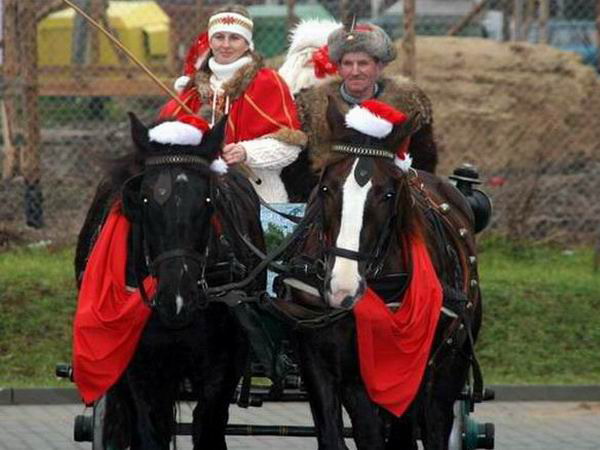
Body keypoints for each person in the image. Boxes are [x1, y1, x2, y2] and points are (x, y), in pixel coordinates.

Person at [160, 5, 306, 204]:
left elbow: (290, 147)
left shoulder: (267, 82)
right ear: (210, 41)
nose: (225, 45)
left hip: (257, 192)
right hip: (197, 194)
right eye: (219, 37)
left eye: (234, 38)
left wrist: (246, 152)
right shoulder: (193, 90)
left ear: (247, 43)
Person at [279, 22, 439, 201]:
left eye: (363, 63)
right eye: (348, 63)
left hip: (390, 199)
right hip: (326, 199)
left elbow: (423, 159)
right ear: (338, 68)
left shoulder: (408, 101)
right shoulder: (310, 104)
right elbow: (295, 168)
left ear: (379, 66)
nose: (355, 72)